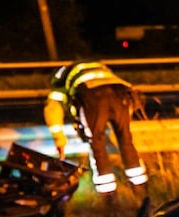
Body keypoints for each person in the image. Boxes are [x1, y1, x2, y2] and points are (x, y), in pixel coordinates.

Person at [43, 61, 148, 195]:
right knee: (126, 141)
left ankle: (109, 196)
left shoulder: (61, 83)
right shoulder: (93, 68)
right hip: (121, 93)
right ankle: (141, 191)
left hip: (93, 96)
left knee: (97, 145)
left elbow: (52, 110)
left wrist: (59, 140)